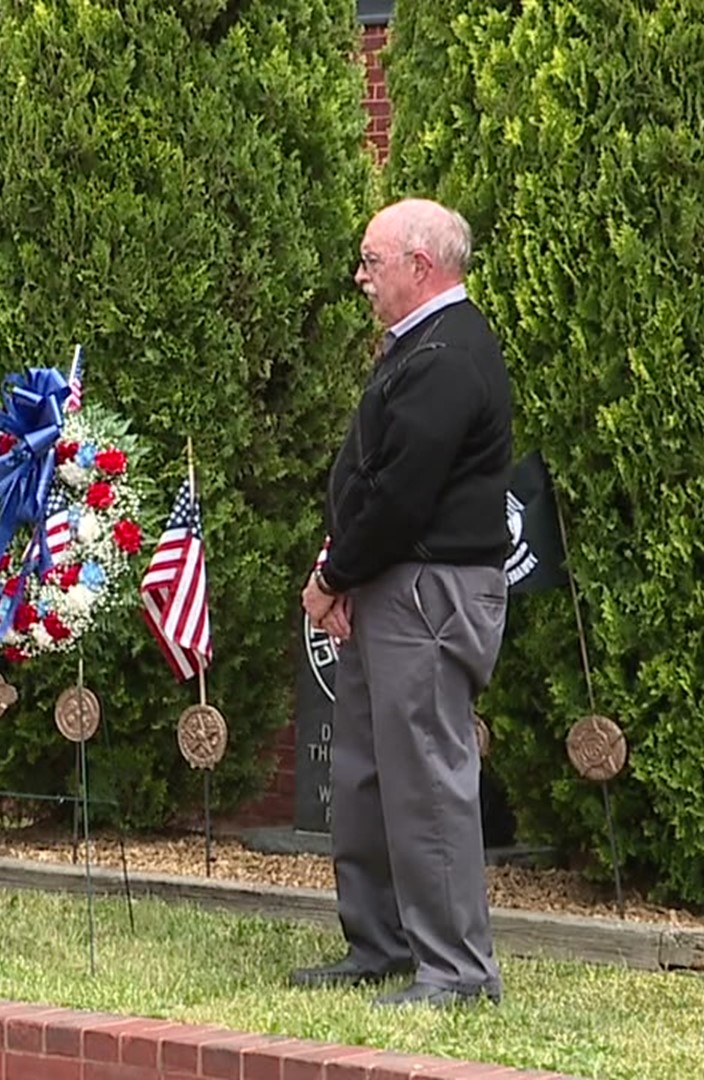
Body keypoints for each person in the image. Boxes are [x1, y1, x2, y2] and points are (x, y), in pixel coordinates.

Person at [291, 198, 512, 1008]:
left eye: (370, 261)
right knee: (368, 773)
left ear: (421, 266)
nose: (359, 276)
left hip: (427, 590)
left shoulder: (450, 355)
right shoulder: (419, 349)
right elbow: (371, 482)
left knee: (422, 777)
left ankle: (457, 971)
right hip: (391, 583)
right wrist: (347, 570)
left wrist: (332, 578)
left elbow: (400, 497)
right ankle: (380, 944)